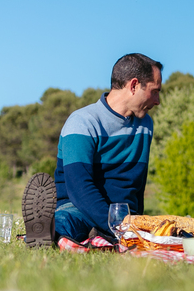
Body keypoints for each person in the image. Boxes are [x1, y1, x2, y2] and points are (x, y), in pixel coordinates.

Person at [21, 53, 163, 247]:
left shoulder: (146, 125)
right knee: (68, 221)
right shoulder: (82, 123)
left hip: (128, 218)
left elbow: (137, 186)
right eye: (155, 91)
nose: (157, 101)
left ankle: (76, 239)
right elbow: (79, 188)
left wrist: (136, 223)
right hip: (81, 208)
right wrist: (116, 226)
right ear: (134, 85)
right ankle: (46, 232)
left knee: (189, 229)